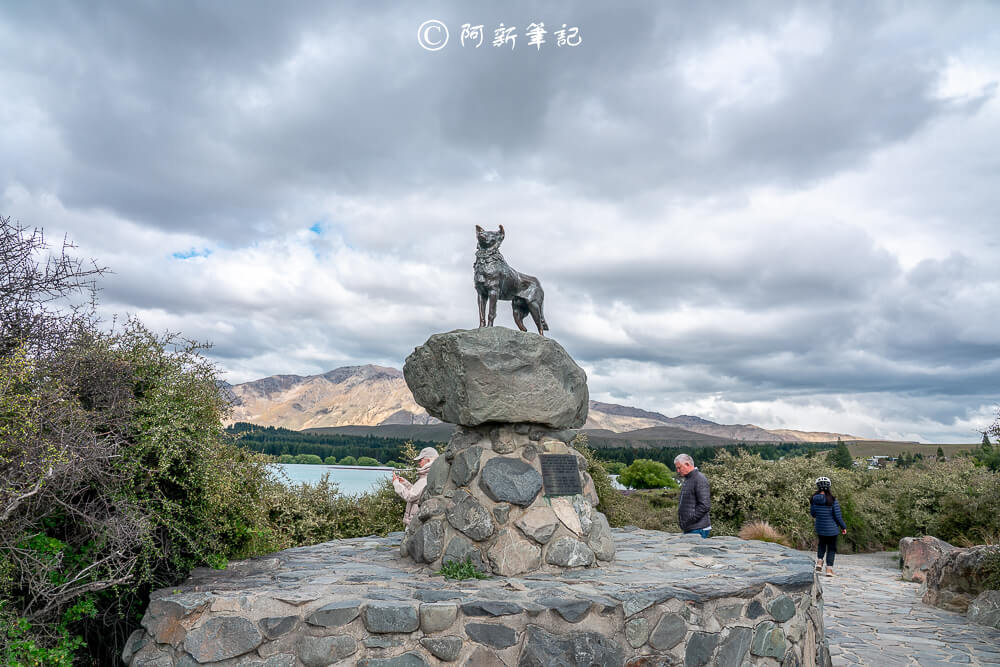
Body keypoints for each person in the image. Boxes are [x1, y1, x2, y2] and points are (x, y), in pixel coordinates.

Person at [810, 476, 847, 577]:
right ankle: (829, 570)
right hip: (832, 529)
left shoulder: (814, 500)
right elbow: (838, 516)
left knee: (821, 545)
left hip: (820, 528)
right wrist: (843, 527)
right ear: (829, 486)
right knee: (831, 548)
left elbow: (813, 514)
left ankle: (819, 562)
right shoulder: (832, 500)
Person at [392, 447, 439, 526]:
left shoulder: (426, 478)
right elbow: (417, 493)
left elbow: (410, 496)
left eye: (420, 460)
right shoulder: (430, 475)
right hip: (417, 520)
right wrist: (405, 483)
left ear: (428, 460)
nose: (419, 463)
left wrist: (396, 483)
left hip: (415, 522)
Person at [674, 453, 711, 538]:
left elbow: (705, 505)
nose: (678, 471)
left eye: (679, 468)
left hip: (698, 528)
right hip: (692, 528)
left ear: (687, 464)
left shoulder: (699, 479)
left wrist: (689, 520)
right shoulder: (689, 479)